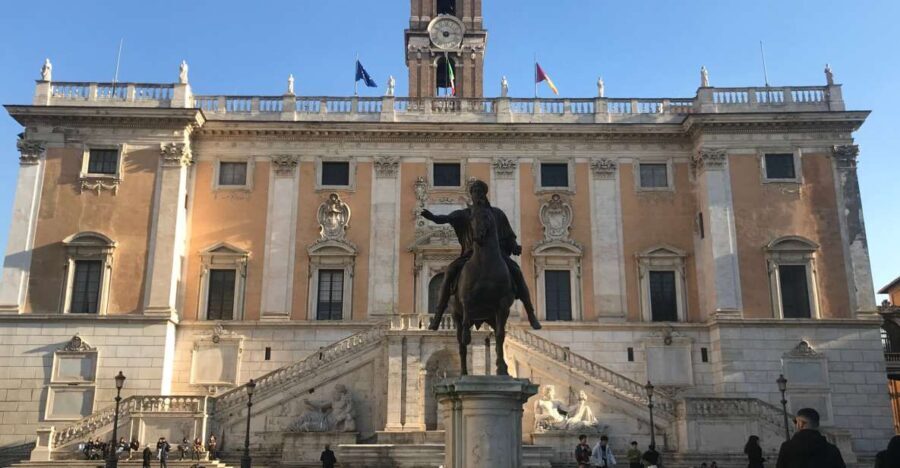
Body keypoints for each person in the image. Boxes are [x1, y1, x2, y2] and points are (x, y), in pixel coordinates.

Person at [421, 180, 542, 331]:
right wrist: (432, 217)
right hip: (470, 254)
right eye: (474, 192)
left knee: (516, 272)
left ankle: (530, 314)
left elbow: (508, 234)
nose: (477, 194)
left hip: (496, 254)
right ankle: (438, 316)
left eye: (480, 191)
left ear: (484, 194)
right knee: (450, 271)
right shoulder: (466, 214)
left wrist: (514, 246)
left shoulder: (497, 214)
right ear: (471, 195)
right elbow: (446, 218)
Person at [775, 408, 845, 468]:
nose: (795, 425)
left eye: (795, 421)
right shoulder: (832, 449)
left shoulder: (787, 447)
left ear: (800, 424)